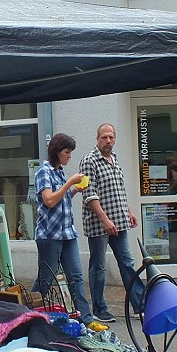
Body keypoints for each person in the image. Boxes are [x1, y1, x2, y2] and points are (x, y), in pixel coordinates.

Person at [33, 133, 106, 332]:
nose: (69, 156)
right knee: (46, 277)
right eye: (67, 152)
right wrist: (69, 184)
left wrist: (74, 189)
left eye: (70, 152)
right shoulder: (44, 172)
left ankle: (86, 318)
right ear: (57, 152)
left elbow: (61, 199)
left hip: (67, 233)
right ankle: (27, 312)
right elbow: (49, 200)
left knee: (76, 276)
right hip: (50, 234)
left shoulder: (59, 171)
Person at [79, 123, 144, 322]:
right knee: (98, 266)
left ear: (115, 139)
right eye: (104, 137)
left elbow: (119, 192)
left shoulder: (115, 160)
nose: (108, 141)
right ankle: (99, 309)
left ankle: (139, 305)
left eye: (111, 137)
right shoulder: (89, 161)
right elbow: (89, 195)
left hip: (120, 221)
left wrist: (129, 211)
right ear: (97, 139)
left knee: (127, 263)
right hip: (99, 224)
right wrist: (104, 219)